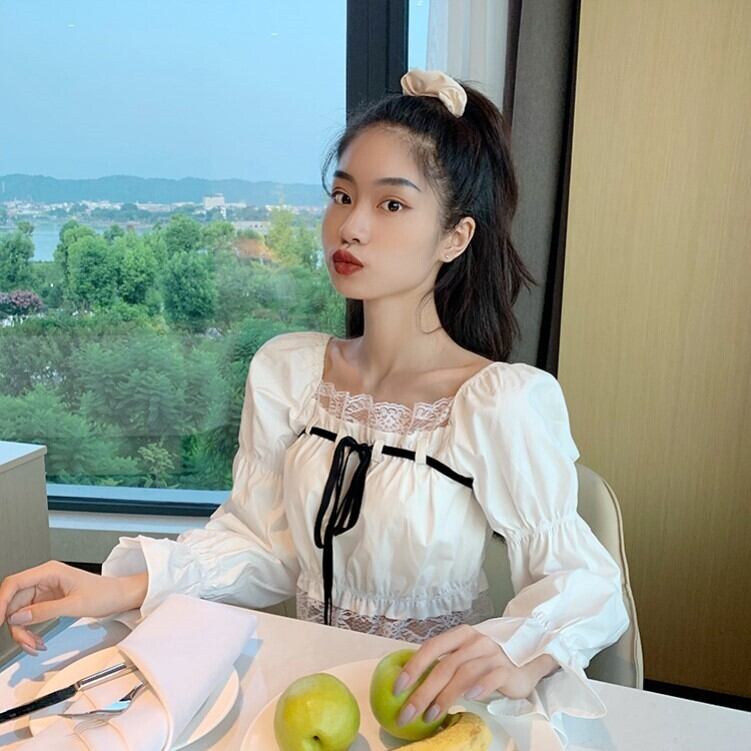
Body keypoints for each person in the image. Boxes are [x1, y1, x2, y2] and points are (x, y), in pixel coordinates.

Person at [0, 69, 629, 731]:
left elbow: (585, 580)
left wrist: (519, 648)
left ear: (455, 236)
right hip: (305, 695)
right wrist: (119, 586)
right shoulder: (289, 374)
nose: (349, 226)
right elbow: (262, 548)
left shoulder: (498, 402)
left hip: (430, 714)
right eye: (342, 195)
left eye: (391, 204)